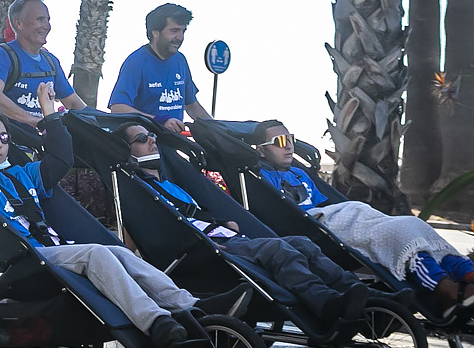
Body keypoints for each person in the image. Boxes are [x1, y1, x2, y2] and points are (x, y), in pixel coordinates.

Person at [0, 70, 219, 348]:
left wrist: (49, 113)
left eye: (3, 137)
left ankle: (191, 307)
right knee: (97, 254)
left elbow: (61, 157)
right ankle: (157, 322)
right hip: (21, 262)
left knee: (119, 252)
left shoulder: (23, 174)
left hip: (50, 252)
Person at [251, 120, 474, 315]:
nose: (289, 147)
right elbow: (296, 213)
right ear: (262, 149)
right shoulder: (260, 177)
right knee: (398, 237)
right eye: (280, 142)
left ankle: (471, 277)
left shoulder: (301, 173)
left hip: (342, 214)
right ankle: (446, 288)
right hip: (318, 225)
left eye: (291, 140)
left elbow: (330, 202)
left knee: (412, 224)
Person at [121, 122, 368, 330]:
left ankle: (355, 291)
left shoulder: (171, 186)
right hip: (203, 249)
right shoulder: (139, 192)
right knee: (279, 251)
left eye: (153, 136)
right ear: (127, 150)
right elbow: (145, 233)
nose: (152, 141)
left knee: (302, 243)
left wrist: (221, 223)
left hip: (224, 237)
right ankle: (324, 302)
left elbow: (195, 214)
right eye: (142, 138)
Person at [0, 0, 88, 127]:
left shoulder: (51, 61)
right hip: (11, 140)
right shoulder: (3, 54)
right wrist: (34, 122)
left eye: (48, 20)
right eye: (40, 19)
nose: (47, 26)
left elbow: (73, 103)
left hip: (45, 138)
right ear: (18, 23)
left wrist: (106, 122)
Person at [109, 3, 212, 132]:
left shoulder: (180, 60)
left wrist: (220, 129)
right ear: (155, 33)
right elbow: (118, 108)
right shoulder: (136, 62)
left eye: (183, 31)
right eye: (174, 31)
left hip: (174, 143)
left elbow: (191, 105)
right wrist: (159, 121)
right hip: (145, 145)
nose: (180, 37)